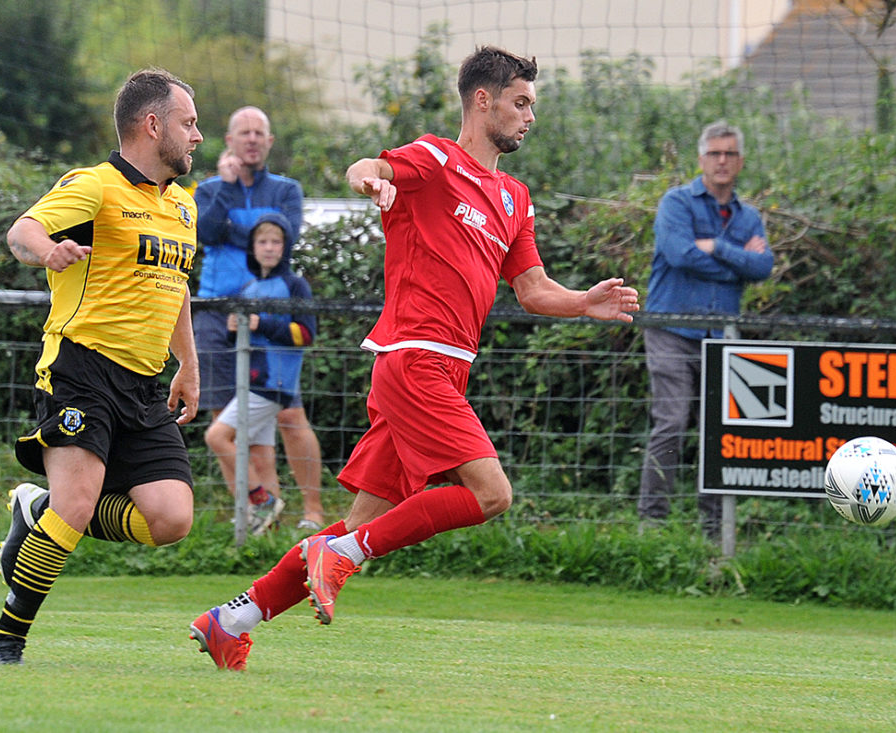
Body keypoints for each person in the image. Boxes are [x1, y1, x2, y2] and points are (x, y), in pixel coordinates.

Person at [188, 46, 640, 671]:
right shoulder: (435, 158)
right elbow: (368, 165)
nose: (529, 116)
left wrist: (583, 302)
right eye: (520, 102)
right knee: (490, 495)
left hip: (444, 367)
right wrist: (370, 179)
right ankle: (346, 556)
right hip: (413, 358)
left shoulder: (514, 196)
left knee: (354, 525)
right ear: (483, 101)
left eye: (531, 104)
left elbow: (533, 290)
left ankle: (231, 619)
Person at [0, 68, 203, 665]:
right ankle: (5, 644)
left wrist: (189, 364)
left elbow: (175, 286)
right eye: (189, 123)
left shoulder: (183, 205)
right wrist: (48, 250)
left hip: (143, 383)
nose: (197, 136)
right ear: (152, 125)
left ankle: (36, 507)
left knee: (172, 518)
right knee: (75, 506)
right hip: (80, 367)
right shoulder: (94, 186)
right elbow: (20, 231)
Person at [638, 121, 774, 540]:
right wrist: (737, 262)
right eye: (714, 153)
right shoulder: (676, 203)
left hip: (722, 337)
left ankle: (715, 534)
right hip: (671, 330)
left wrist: (716, 247)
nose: (721, 161)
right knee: (673, 422)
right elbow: (679, 255)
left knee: (719, 434)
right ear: (701, 159)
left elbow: (764, 267)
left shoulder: (748, 216)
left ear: (740, 161)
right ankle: (652, 527)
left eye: (729, 154)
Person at [194, 105, 324, 530]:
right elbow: (204, 233)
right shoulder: (210, 189)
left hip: (271, 311)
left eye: (259, 133)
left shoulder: (287, 190)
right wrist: (226, 194)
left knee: (287, 415)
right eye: (243, 133)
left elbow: (283, 238)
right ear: (229, 141)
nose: (251, 139)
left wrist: (237, 228)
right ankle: (256, 513)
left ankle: (312, 513)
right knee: (225, 419)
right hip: (216, 313)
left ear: (269, 142)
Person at [204, 213, 319, 535]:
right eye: (263, 242)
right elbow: (246, 339)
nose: (269, 248)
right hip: (252, 381)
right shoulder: (249, 287)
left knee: (216, 436)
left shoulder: (295, 285)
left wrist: (261, 323)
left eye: (276, 242)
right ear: (253, 248)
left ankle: (262, 501)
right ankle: (271, 530)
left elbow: (306, 335)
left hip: (273, 385)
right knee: (263, 455)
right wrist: (233, 331)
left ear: (285, 247)